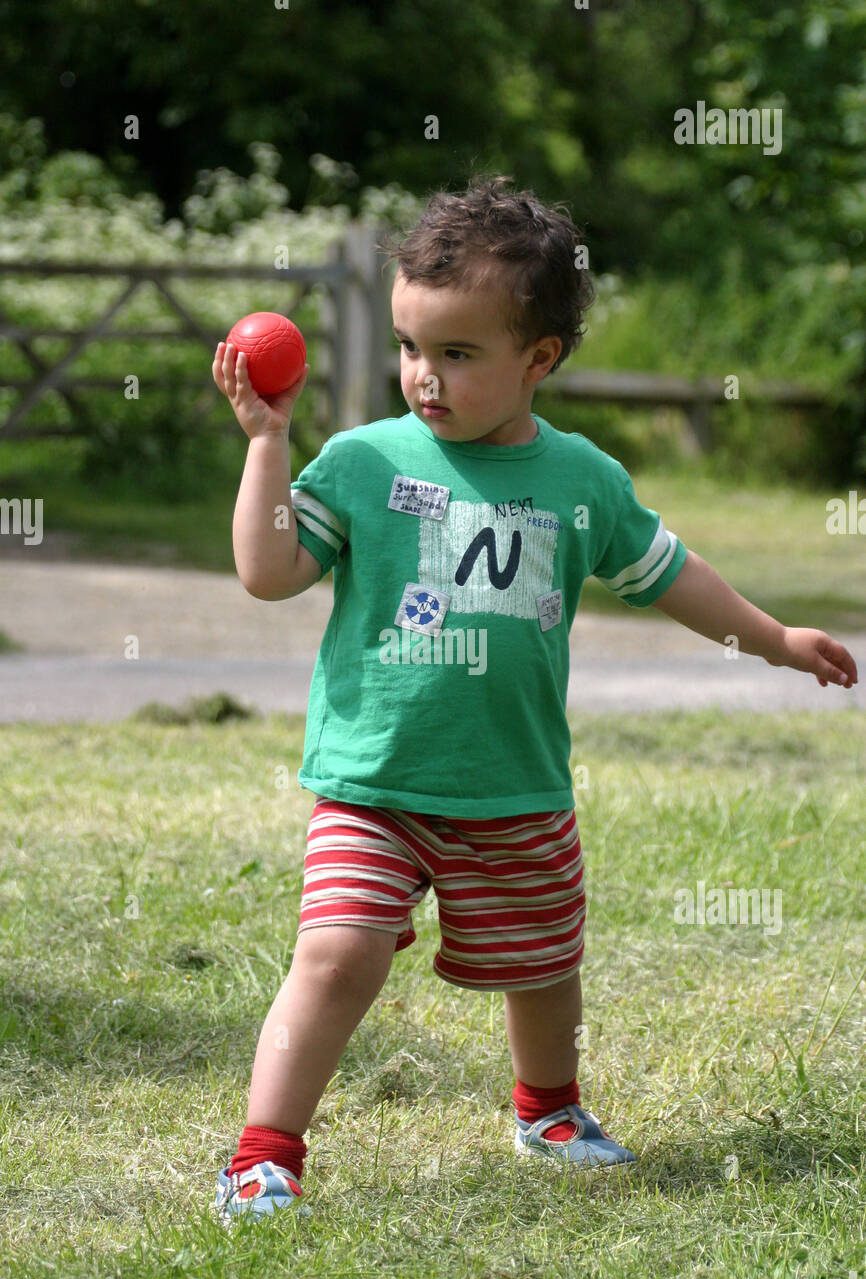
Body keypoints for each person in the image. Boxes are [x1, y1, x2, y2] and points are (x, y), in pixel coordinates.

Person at [210, 176, 858, 1222]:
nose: (424, 377)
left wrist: (774, 639)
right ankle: (263, 1151)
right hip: (374, 780)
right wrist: (264, 443)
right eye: (412, 348)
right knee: (336, 954)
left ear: (538, 360)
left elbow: (668, 574)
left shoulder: (580, 479)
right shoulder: (364, 462)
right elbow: (267, 570)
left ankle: (547, 1110)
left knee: (545, 967)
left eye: (457, 354)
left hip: (514, 785)